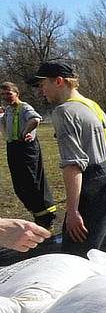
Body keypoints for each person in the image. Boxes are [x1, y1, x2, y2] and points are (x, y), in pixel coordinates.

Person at [28, 62, 106, 257]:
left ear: (59, 81)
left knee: (82, 255)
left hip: (96, 184)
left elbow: (73, 164)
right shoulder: (93, 105)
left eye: (42, 85)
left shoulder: (64, 111)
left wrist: (73, 211)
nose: (41, 91)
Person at [0, 82, 57, 229]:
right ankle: (37, 213)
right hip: (13, 148)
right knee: (20, 184)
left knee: (33, 182)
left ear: (16, 93)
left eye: (9, 94)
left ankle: (46, 215)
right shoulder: (8, 111)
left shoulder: (24, 107)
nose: (6, 97)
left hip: (26, 149)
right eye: (3, 94)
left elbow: (35, 119)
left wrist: (26, 131)